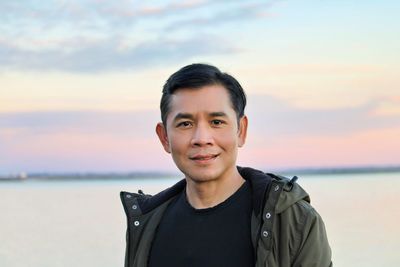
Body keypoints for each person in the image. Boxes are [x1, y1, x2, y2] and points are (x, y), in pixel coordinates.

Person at [120, 63, 332, 267]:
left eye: (217, 122)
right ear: (164, 137)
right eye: (185, 124)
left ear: (241, 130)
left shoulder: (292, 220)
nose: (202, 138)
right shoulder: (147, 224)